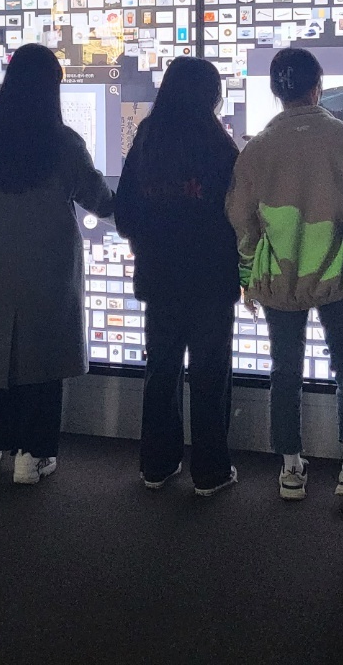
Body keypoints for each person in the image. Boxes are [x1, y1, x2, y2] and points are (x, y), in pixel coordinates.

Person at [0, 43, 113, 485]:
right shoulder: (63, 143)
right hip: (48, 275)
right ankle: (33, 454)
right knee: (44, 364)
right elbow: (100, 200)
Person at [225, 48, 343, 502]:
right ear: (318, 87)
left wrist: (247, 275)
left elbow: (241, 220)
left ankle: (290, 469)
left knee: (285, 370)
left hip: (279, 279)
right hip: (339, 275)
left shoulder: (257, 148)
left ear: (276, 92)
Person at [116, 56, 239, 496]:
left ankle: (157, 465)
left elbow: (125, 212)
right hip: (212, 277)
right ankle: (210, 472)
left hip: (160, 276)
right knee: (210, 373)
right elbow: (237, 214)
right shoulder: (219, 145)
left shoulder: (149, 137)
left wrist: (148, 238)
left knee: (162, 369)